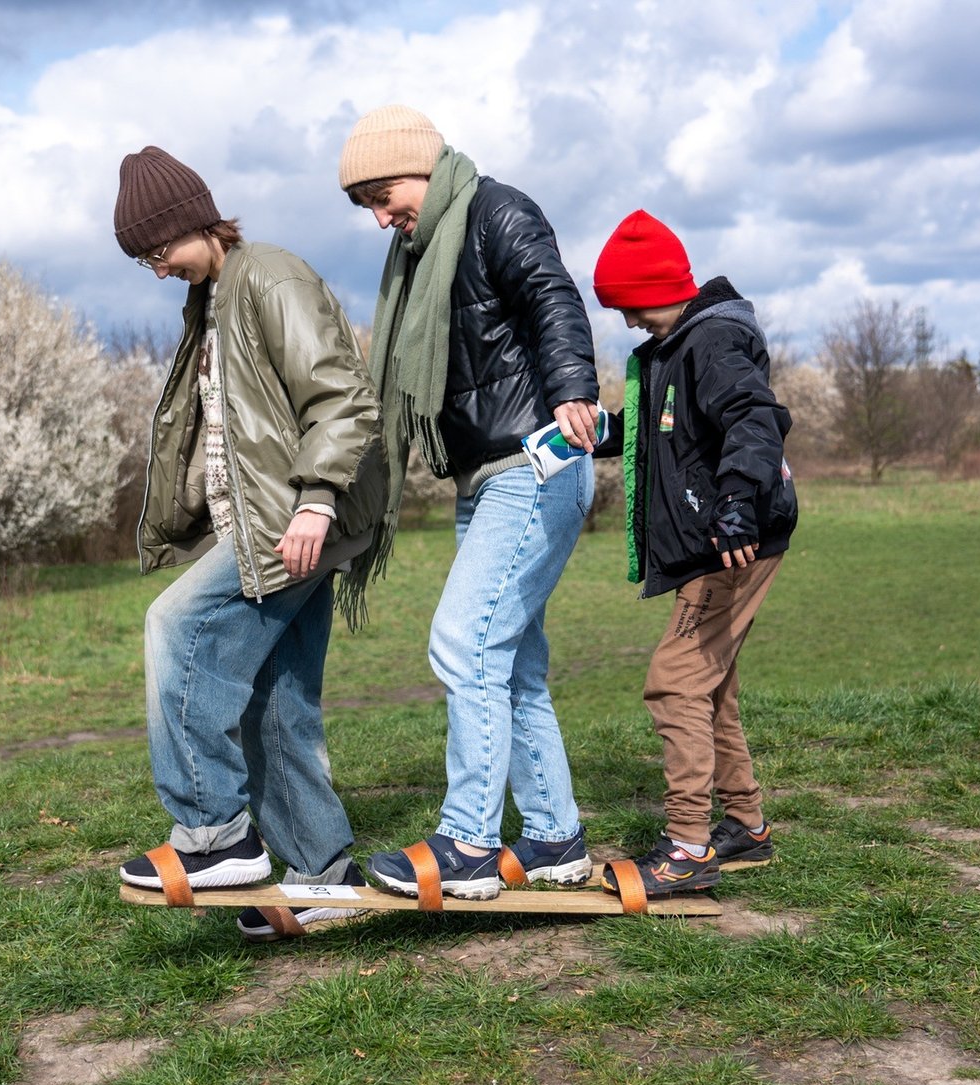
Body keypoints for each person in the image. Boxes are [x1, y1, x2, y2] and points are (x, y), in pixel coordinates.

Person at [111, 146, 387, 941]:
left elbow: (341, 397)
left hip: (297, 522)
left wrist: (316, 501)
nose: (158, 268)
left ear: (196, 221)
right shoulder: (210, 302)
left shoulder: (269, 276)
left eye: (160, 249)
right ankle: (323, 875)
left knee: (176, 625)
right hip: (271, 524)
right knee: (274, 697)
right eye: (144, 261)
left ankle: (213, 835)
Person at [338, 105, 600, 901]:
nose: (381, 218)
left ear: (419, 166)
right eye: (368, 206)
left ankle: (469, 844)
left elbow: (553, 298)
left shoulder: (496, 213)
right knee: (511, 663)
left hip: (534, 464)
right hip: (481, 477)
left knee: (465, 644)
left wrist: (574, 387)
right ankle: (553, 836)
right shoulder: (423, 253)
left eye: (383, 197)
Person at [588, 210, 798, 899]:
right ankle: (746, 827)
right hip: (722, 534)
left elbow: (754, 417)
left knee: (675, 681)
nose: (627, 321)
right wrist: (601, 433)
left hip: (732, 539)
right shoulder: (675, 348)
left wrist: (736, 501)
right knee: (711, 685)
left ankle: (687, 849)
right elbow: (666, 435)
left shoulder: (711, 341)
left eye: (630, 305)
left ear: (659, 288)